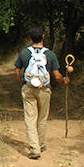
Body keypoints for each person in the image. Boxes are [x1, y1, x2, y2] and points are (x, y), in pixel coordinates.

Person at [13, 26, 69, 159]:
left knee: (30, 119)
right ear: (43, 37)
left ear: (30, 38)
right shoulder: (50, 54)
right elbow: (57, 76)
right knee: (42, 118)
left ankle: (34, 148)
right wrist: (64, 80)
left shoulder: (24, 53)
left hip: (29, 88)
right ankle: (41, 144)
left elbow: (16, 71)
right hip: (44, 89)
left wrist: (22, 82)